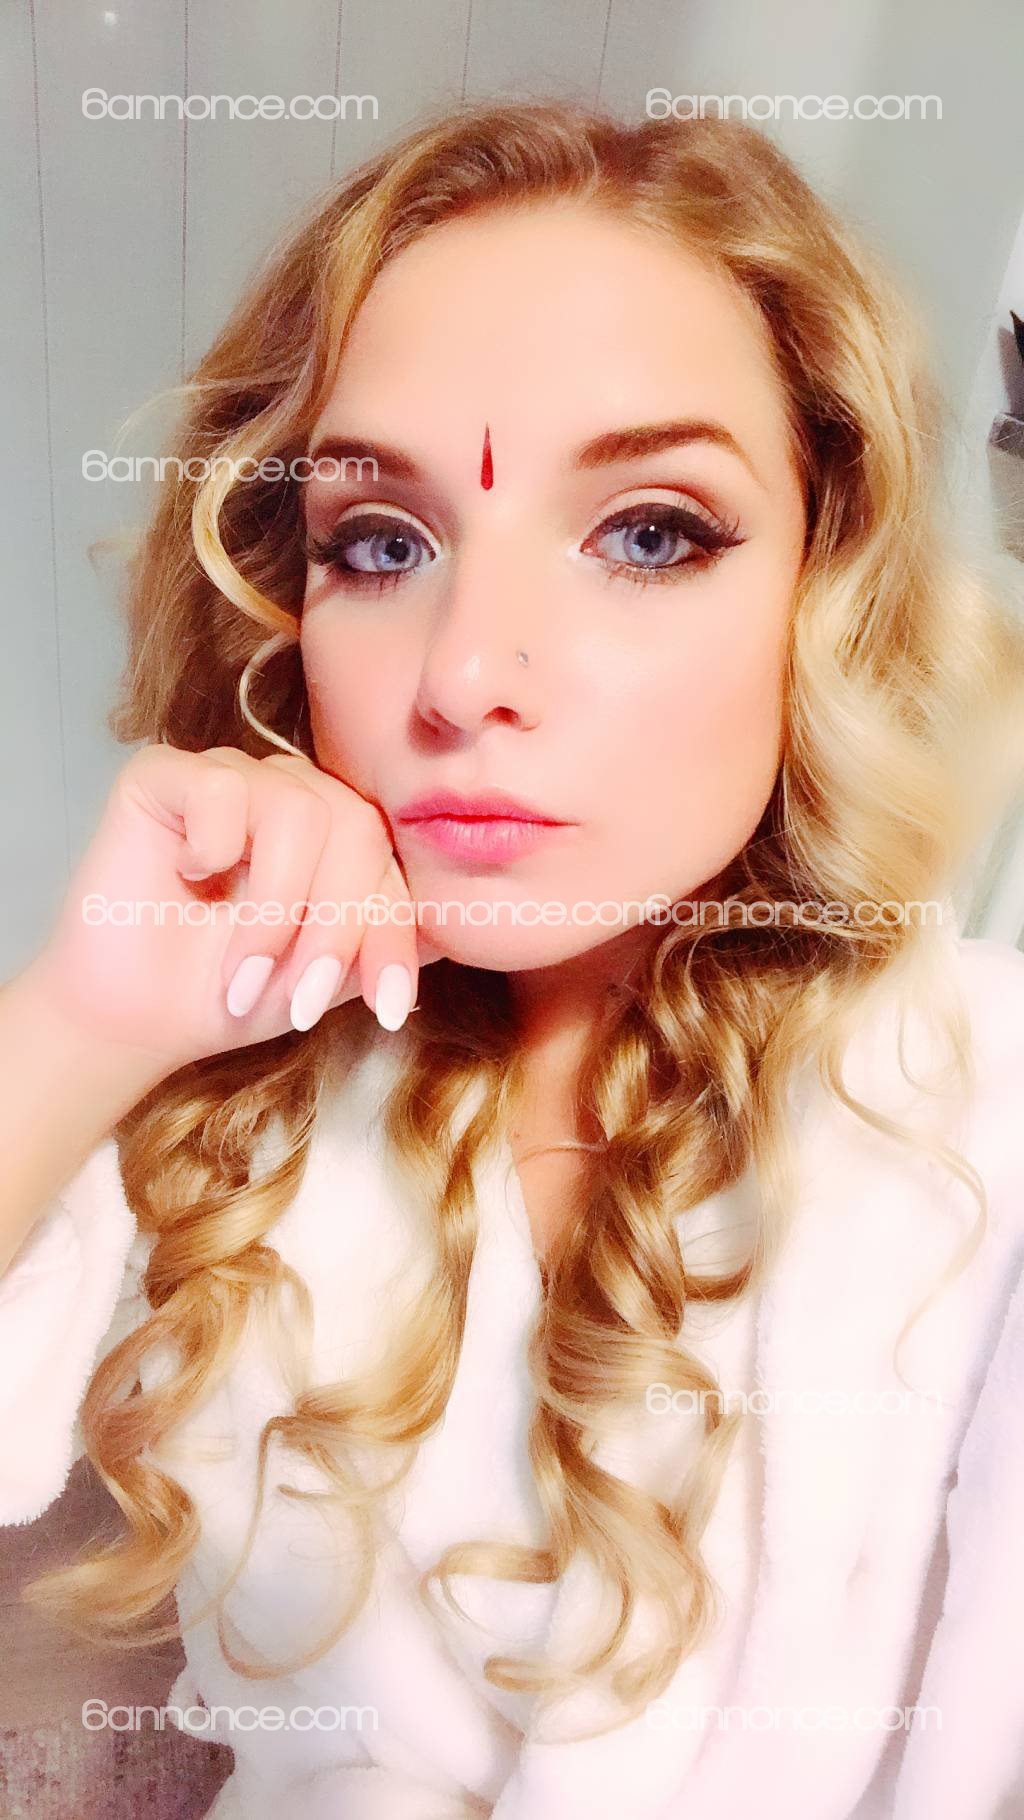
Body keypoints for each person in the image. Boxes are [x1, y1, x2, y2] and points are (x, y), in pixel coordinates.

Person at [2, 98, 1024, 1820]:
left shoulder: (990, 1115)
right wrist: (79, 1023)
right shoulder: (231, 1092)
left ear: (823, 581)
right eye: (380, 543)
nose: (467, 671)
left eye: (649, 533)